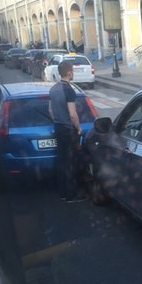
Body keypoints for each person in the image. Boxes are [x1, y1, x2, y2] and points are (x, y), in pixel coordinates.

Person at [49, 60, 87, 203]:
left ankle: (63, 193)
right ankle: (72, 195)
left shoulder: (53, 89)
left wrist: (57, 120)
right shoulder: (69, 90)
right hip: (68, 130)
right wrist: (78, 128)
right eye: (73, 70)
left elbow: (50, 110)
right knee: (71, 162)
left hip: (58, 127)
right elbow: (72, 114)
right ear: (69, 72)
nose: (73, 73)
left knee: (61, 160)